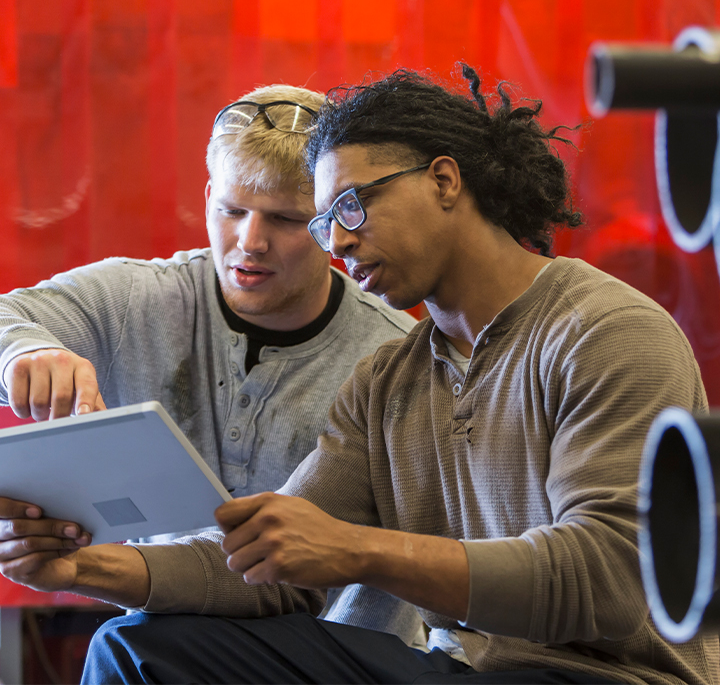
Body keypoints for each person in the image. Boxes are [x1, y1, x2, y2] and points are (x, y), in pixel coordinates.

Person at [1, 66, 717, 685]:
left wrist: (354, 550)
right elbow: (269, 561)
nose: (338, 241)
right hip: (456, 669)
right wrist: (81, 569)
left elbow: (606, 582)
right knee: (139, 649)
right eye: (323, 222)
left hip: (602, 677)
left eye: (349, 205)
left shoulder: (606, 331)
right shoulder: (391, 378)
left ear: (443, 180)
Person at [0, 84, 421, 640]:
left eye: (286, 220)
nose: (250, 241)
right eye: (231, 210)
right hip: (168, 635)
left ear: (332, 224)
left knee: (125, 643)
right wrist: (22, 352)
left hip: (345, 655)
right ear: (206, 199)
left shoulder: (395, 356)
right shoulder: (133, 301)